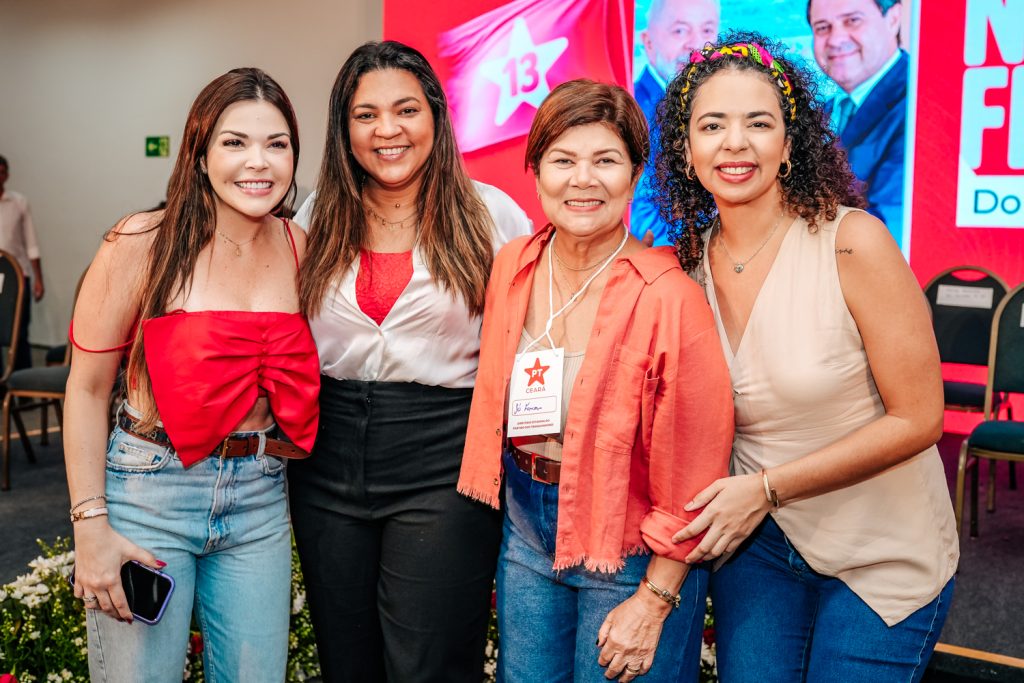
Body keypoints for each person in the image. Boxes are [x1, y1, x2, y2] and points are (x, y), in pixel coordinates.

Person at [653, 32, 958, 681]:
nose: (735, 142)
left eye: (758, 123)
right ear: (686, 148)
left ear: (789, 144)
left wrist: (764, 488)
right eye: (713, 124)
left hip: (882, 553)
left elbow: (921, 417)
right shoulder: (682, 268)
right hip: (760, 552)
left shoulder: (853, 243)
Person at [458, 79, 734, 683]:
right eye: (563, 160)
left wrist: (657, 596)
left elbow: (697, 471)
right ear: (535, 171)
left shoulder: (669, 296)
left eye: (605, 160)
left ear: (635, 174)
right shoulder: (513, 267)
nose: (583, 180)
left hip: (629, 544)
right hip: (527, 528)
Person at [64, 68, 319, 682]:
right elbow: (87, 389)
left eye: (276, 143)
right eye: (235, 142)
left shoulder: (299, 245)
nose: (257, 162)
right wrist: (90, 526)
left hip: (259, 496)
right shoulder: (139, 242)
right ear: (199, 153)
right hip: (149, 493)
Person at [289, 40, 532, 682]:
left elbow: (539, 334)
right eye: (365, 115)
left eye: (406, 110)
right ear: (344, 128)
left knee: (429, 664)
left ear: (436, 118)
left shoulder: (489, 214)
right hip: (327, 459)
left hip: (444, 458)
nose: (387, 130)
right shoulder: (316, 217)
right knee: (347, 660)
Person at [809, 0, 907, 243]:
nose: (835, 39)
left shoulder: (920, 104)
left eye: (852, 21)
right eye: (822, 27)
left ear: (893, 19)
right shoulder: (821, 112)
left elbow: (888, 231)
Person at [632, 0, 721, 246]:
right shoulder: (632, 116)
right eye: (680, 30)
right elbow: (636, 215)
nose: (695, 44)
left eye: (706, 30)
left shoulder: (720, 105)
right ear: (648, 43)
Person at [0, 154, 44, 371]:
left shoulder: (18, 203)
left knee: (18, 331)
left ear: (6, 175)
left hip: (18, 277)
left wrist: (38, 279)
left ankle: (22, 386)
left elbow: (32, 243)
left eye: (1, 172)